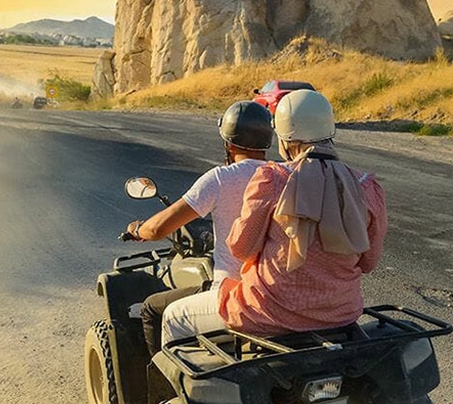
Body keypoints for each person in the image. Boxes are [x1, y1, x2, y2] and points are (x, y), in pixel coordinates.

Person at [161, 89, 388, 343]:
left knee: (173, 316)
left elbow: (242, 248)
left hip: (267, 312)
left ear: (284, 139)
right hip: (340, 314)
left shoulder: (273, 180)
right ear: (329, 130)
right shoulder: (367, 187)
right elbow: (368, 262)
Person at [126, 100, 275, 357]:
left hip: (235, 294)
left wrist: (138, 229)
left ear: (228, 143)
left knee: (153, 308)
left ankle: (163, 393)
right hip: (278, 291)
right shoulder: (284, 174)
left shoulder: (220, 178)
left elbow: (158, 228)